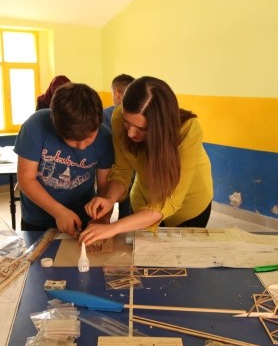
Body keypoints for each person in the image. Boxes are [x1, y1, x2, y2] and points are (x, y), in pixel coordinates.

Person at [80, 76, 213, 245]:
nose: (130, 134)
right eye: (128, 123)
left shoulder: (188, 131)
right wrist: (109, 199)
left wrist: (113, 228)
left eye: (141, 128)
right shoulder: (118, 118)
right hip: (144, 199)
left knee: (182, 261)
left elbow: (169, 202)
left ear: (160, 126)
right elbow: (122, 172)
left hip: (189, 207)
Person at [14, 82, 114, 237]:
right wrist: (58, 211)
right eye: (72, 140)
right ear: (56, 126)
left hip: (83, 217)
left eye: (89, 137)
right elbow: (26, 179)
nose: (81, 146)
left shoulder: (105, 137)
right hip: (37, 219)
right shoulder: (36, 126)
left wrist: (101, 218)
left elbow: (104, 187)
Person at [102, 73, 136, 218]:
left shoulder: (105, 114)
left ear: (116, 94)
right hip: (128, 174)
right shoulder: (112, 115)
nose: (131, 134)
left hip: (111, 170)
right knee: (127, 209)